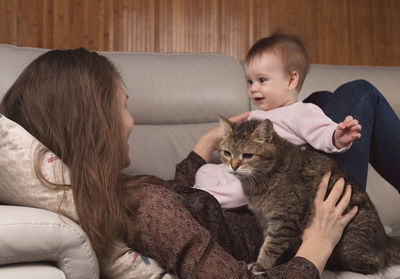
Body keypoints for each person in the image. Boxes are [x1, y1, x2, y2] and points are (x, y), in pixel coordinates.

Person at [0, 47, 385, 278]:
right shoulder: (151, 211)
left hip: (284, 197)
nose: (132, 121)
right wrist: (317, 245)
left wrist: (204, 144)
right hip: (306, 219)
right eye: (125, 107)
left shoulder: (117, 194)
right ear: (95, 125)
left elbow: (182, 194)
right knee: (360, 94)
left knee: (322, 100)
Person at [194, 34, 363, 208]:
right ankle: (204, 192)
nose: (253, 88)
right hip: (235, 168)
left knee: (247, 187)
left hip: (263, 174)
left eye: (262, 80)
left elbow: (323, 132)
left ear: (291, 81)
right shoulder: (255, 115)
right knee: (205, 170)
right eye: (249, 82)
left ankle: (207, 200)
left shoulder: (301, 112)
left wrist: (338, 136)